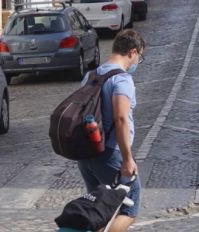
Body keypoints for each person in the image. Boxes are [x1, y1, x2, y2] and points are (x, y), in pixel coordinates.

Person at [77, 29, 145, 231]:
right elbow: (121, 118)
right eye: (139, 57)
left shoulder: (90, 76)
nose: (137, 63)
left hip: (87, 154)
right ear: (132, 52)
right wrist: (127, 158)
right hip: (110, 154)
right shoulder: (121, 79)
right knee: (129, 209)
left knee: (100, 210)